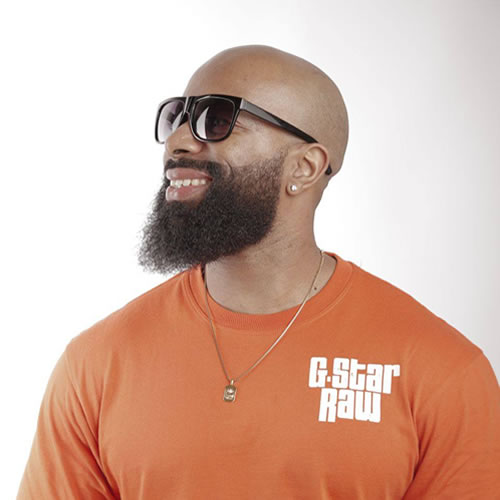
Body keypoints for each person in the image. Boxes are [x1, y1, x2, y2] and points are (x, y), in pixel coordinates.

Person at [17, 44, 500, 499]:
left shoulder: (440, 371)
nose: (179, 141)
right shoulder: (96, 364)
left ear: (305, 167)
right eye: (176, 117)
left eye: (217, 119)